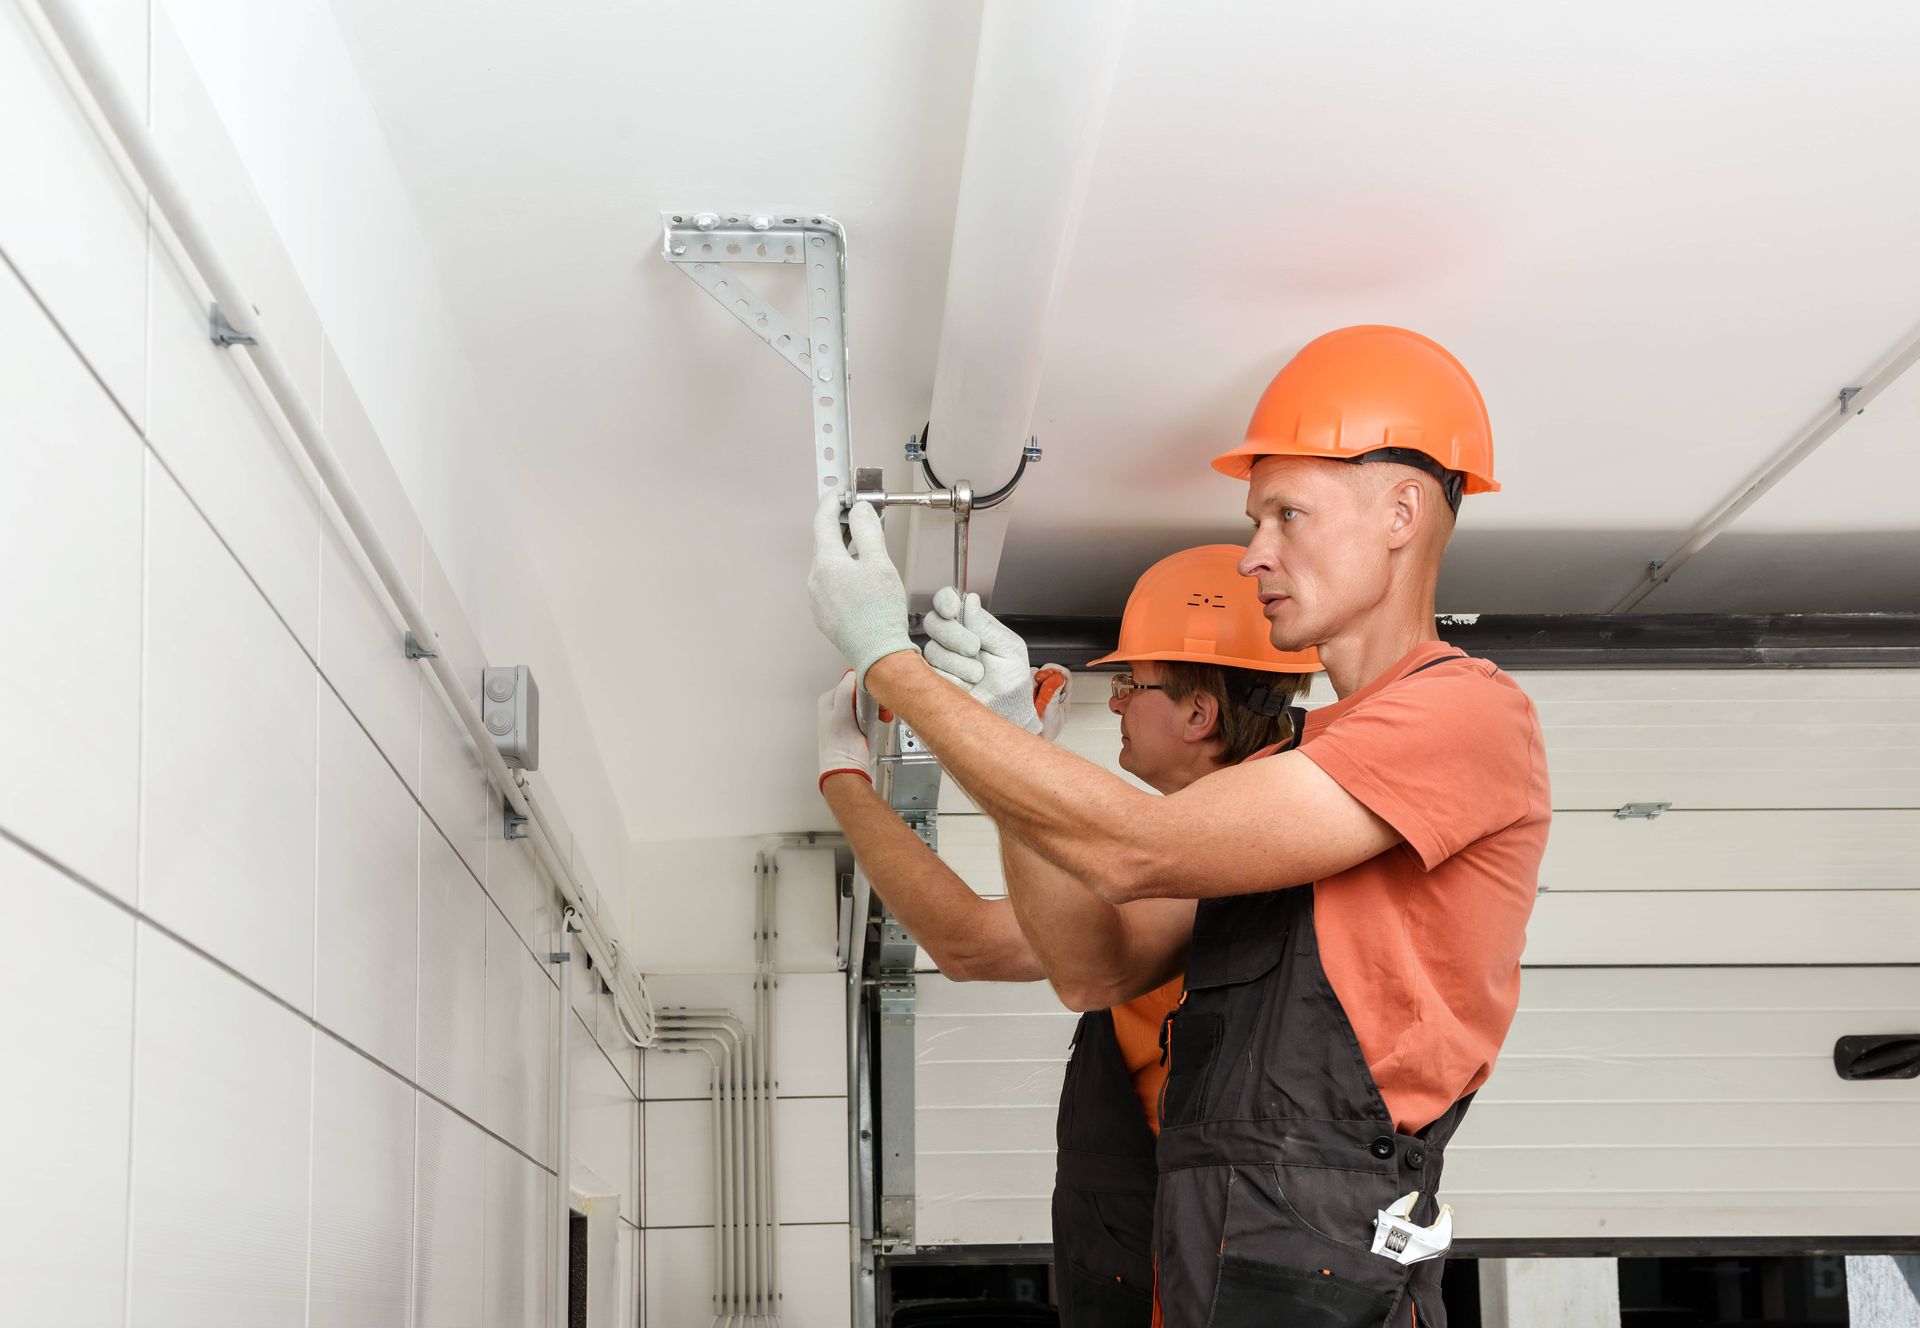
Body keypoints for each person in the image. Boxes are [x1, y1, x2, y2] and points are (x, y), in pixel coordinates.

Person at [806, 326, 1551, 1327]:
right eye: (1256, 521)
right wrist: (1010, 729)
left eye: (1288, 513)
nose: (1256, 554)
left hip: (1313, 1249)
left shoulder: (1461, 713)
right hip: (1226, 1241)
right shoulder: (1296, 774)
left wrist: (890, 662)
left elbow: (1132, 848)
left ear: (1401, 513)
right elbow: (1094, 963)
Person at [816, 546, 1321, 1327]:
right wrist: (864, 776)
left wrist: (1010, 755)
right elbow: (973, 942)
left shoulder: (1264, 839)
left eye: (1128, 683)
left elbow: (1045, 960)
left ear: (1198, 714)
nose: (1113, 702)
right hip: (1161, 1249)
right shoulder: (1192, 843)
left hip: (1218, 1268)